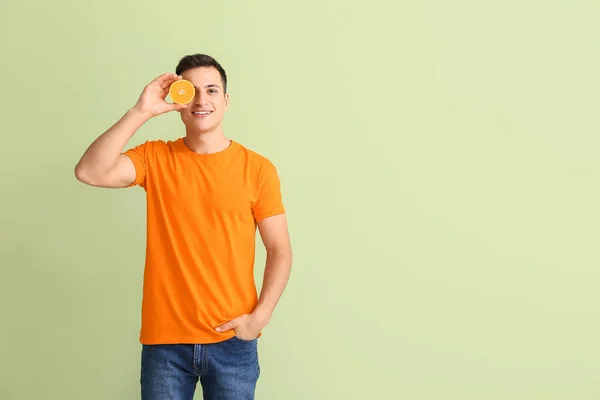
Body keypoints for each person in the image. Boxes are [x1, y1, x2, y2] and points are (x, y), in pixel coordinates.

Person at [74, 53, 293, 400]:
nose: (202, 100)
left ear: (225, 100)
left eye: (211, 90)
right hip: (166, 345)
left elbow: (280, 249)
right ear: (177, 100)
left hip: (233, 342)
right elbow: (90, 172)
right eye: (190, 91)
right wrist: (141, 111)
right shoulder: (155, 158)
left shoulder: (258, 169)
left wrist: (259, 317)